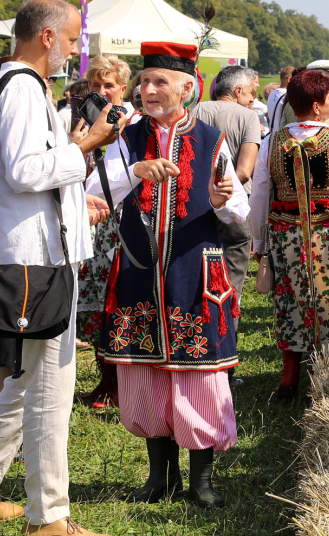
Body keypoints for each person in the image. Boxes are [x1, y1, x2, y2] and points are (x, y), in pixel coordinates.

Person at [89, 41, 248, 509]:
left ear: (187, 88)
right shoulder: (125, 137)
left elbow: (240, 208)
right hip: (140, 273)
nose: (148, 89)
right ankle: (160, 477)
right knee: (145, 374)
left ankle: (201, 480)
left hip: (194, 272)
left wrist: (223, 201)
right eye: (144, 81)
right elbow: (94, 190)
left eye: (160, 82)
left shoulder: (208, 139)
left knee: (196, 377)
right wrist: (136, 170)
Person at [0, 0, 120, 536]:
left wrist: (73, 178)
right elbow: (24, 171)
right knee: (49, 388)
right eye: (70, 39)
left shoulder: (13, 83)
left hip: (31, 253)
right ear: (46, 37)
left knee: (26, 384)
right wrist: (86, 144)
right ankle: (50, 518)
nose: (74, 50)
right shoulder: (20, 85)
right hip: (31, 259)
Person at [249, 70, 329, 399]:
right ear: (318, 105)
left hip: (288, 235)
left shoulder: (272, 143)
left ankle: (290, 375)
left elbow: (260, 196)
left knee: (290, 297)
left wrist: (259, 242)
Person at [190, 65, 263, 388]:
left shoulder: (194, 111)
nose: (252, 99)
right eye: (250, 93)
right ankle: (224, 366)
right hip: (233, 211)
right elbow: (245, 171)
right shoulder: (247, 117)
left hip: (196, 210)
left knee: (197, 283)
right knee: (230, 287)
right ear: (237, 92)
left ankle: (195, 355)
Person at [73, 54, 135, 408]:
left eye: (108, 85)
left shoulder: (133, 123)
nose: (101, 90)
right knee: (93, 302)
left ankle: (119, 384)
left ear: (122, 89)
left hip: (121, 220)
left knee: (116, 298)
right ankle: (105, 380)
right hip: (89, 219)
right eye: (95, 85)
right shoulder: (84, 120)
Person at [266, 65, 295, 131]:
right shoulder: (288, 95)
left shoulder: (271, 94)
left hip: (272, 134)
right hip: (282, 135)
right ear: (289, 79)